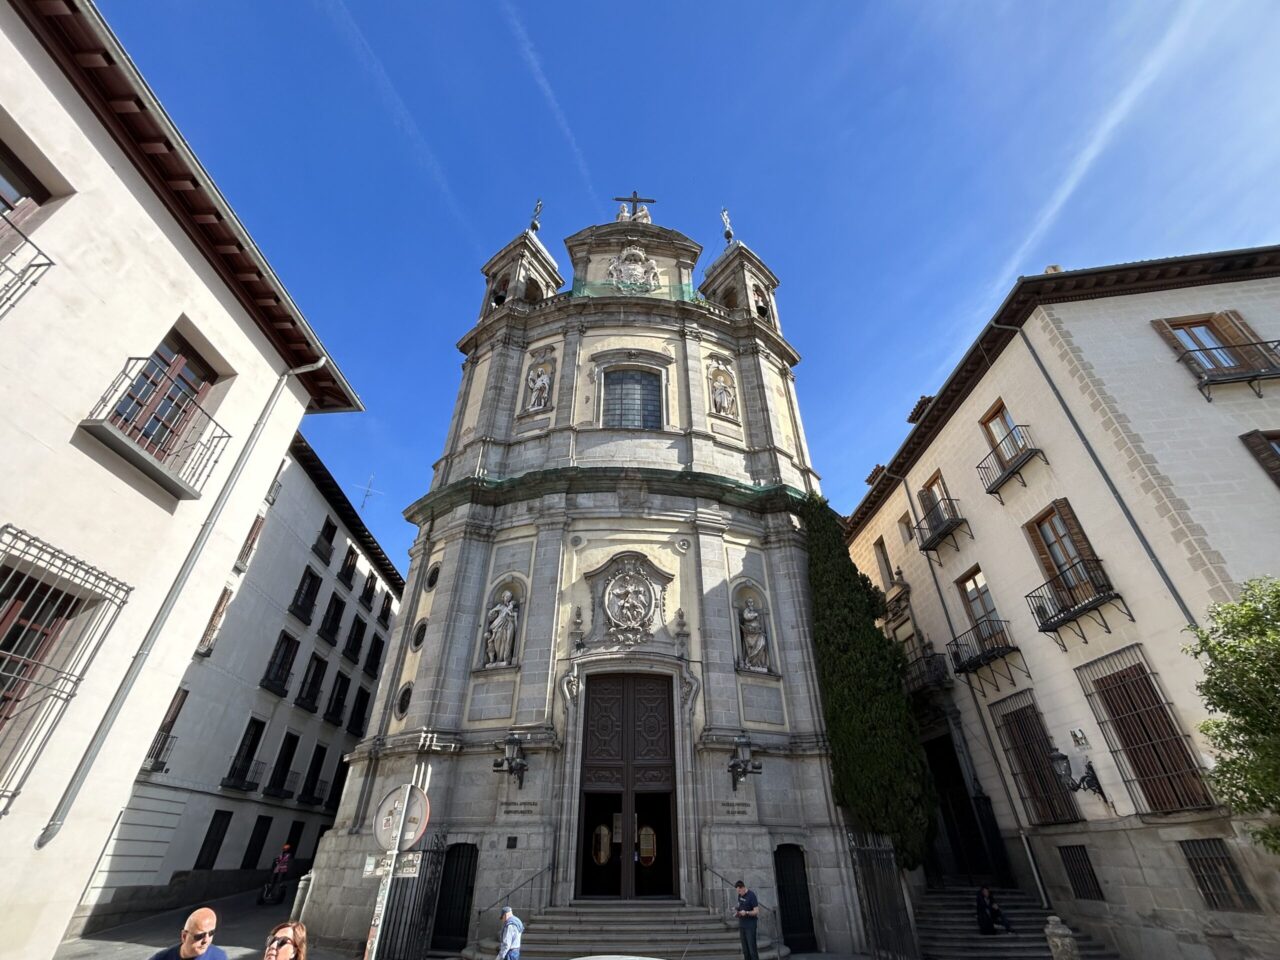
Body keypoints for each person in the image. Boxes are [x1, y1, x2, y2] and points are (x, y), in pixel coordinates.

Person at [147, 906, 226, 960]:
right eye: (200, 936)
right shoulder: (161, 958)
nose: (206, 940)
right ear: (184, 936)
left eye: (211, 933)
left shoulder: (219, 957)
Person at [734, 880, 760, 960]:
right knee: (745, 950)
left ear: (743, 888)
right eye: (737, 891)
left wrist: (747, 912)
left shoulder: (751, 895)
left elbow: (756, 911)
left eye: (739, 891)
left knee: (752, 950)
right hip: (742, 925)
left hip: (750, 926)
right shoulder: (740, 896)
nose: (739, 893)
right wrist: (736, 910)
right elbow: (740, 906)